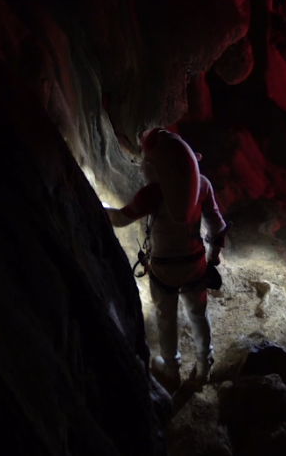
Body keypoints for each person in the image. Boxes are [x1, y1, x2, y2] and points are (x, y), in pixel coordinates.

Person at [106, 128, 229, 390]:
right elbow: (217, 226)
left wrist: (99, 206)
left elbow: (119, 219)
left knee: (166, 318)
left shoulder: (152, 194)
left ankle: (171, 369)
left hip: (163, 269)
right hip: (195, 264)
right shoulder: (203, 185)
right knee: (198, 314)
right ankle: (204, 366)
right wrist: (213, 256)